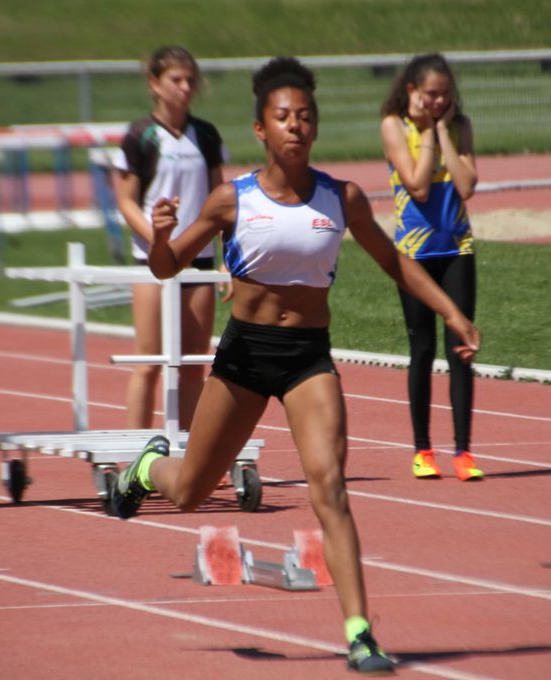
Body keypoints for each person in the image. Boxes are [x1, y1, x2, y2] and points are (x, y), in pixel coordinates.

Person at [110, 57, 480, 674]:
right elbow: (166, 266)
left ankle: (360, 633)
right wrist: (158, 233)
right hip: (246, 356)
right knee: (192, 493)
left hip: (308, 358)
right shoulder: (234, 199)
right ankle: (149, 467)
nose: (295, 127)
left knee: (329, 487)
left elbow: (397, 263)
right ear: (261, 129)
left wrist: (450, 313)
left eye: (305, 117)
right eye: (283, 117)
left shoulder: (343, 198)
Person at [379, 53, 483, 482]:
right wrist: (424, 134)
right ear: (411, 92)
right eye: (431, 95)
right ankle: (423, 449)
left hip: (457, 249)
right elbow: (418, 186)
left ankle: (464, 451)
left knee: (460, 349)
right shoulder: (393, 126)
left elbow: (466, 185)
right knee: (421, 350)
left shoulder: (458, 127)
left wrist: (441, 130)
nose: (439, 101)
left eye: (445, 95)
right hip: (414, 255)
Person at [114, 46, 227, 430]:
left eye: (190, 80)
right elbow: (127, 202)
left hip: (199, 260)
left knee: (194, 363)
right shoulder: (139, 136)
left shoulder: (206, 135)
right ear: (155, 84)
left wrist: (228, 257)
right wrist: (160, 241)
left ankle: (191, 454)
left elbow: (220, 200)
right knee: (148, 362)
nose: (185, 87)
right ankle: (138, 453)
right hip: (150, 259)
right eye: (176, 80)